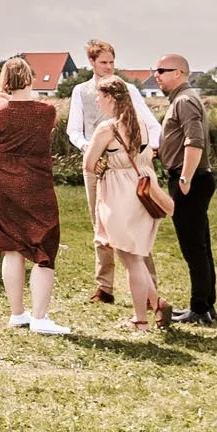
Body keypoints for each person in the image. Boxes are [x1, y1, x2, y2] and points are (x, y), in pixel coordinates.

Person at [0, 57, 69, 334]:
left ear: (4, 81)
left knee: (12, 247)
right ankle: (40, 317)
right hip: (37, 182)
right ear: (30, 79)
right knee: (44, 246)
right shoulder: (47, 111)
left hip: (4, 182)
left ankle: (17, 313)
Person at [66, 40, 160, 304]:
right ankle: (104, 287)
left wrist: (150, 148)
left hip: (125, 165)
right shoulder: (81, 91)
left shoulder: (127, 89)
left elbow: (152, 126)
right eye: (103, 62)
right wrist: (88, 147)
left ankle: (150, 288)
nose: (108, 67)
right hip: (95, 164)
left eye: (111, 62)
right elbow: (74, 130)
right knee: (100, 225)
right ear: (92, 62)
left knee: (134, 224)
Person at [83, 79, 168, 330]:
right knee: (136, 255)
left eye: (100, 96)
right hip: (142, 190)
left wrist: (104, 166)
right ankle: (157, 303)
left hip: (118, 193)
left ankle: (140, 319)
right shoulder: (140, 123)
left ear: (110, 98)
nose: (97, 101)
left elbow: (89, 164)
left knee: (131, 260)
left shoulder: (107, 128)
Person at [154, 53, 217, 324]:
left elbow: (194, 141)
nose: (156, 75)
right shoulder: (182, 99)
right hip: (191, 177)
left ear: (178, 73)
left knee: (193, 248)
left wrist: (185, 179)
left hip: (189, 179)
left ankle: (199, 309)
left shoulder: (184, 100)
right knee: (200, 245)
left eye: (161, 70)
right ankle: (206, 305)